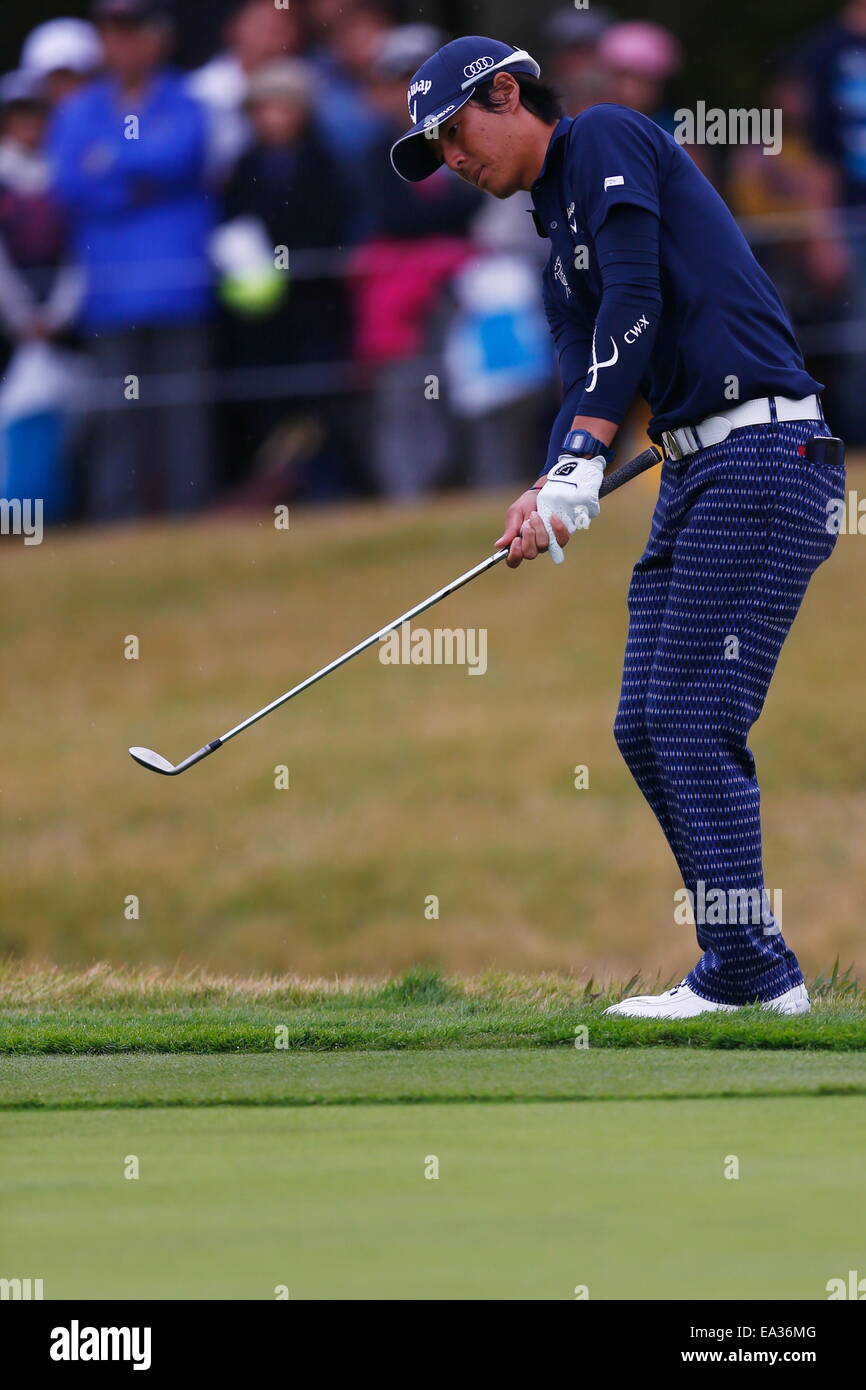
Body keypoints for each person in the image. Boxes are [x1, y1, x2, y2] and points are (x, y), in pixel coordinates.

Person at [390, 36, 846, 1019]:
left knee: (691, 719)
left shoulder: (604, 136)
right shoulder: (556, 249)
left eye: (453, 133)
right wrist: (547, 481)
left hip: (766, 459)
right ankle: (739, 963)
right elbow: (583, 377)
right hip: (697, 469)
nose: (452, 160)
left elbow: (634, 303)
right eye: (434, 152)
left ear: (505, 93)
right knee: (643, 723)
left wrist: (584, 461)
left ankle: (753, 975)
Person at [50, 0, 215, 521]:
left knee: (183, 419)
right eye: (113, 31)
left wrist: (110, 161)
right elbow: (68, 183)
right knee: (117, 419)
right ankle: (115, 524)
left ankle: (190, 521)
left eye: (134, 30)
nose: (124, 43)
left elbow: (180, 155)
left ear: (158, 37)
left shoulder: (187, 101)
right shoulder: (78, 110)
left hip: (179, 289)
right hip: (110, 295)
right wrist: (140, 176)